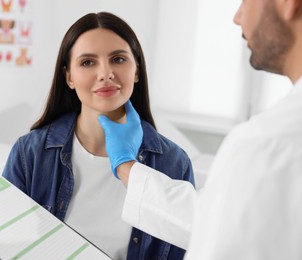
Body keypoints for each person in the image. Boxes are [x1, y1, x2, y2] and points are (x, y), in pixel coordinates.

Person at [98, 0, 302, 259]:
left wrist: (125, 166)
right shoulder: (33, 152)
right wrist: (127, 168)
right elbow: (216, 217)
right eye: (87, 63)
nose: (237, 17)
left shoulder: (267, 143)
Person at [2, 12, 195, 259]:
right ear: (69, 77)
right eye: (87, 62)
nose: (105, 73)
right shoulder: (29, 153)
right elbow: (5, 244)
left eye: (118, 59)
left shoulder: (174, 163)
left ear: (136, 70)